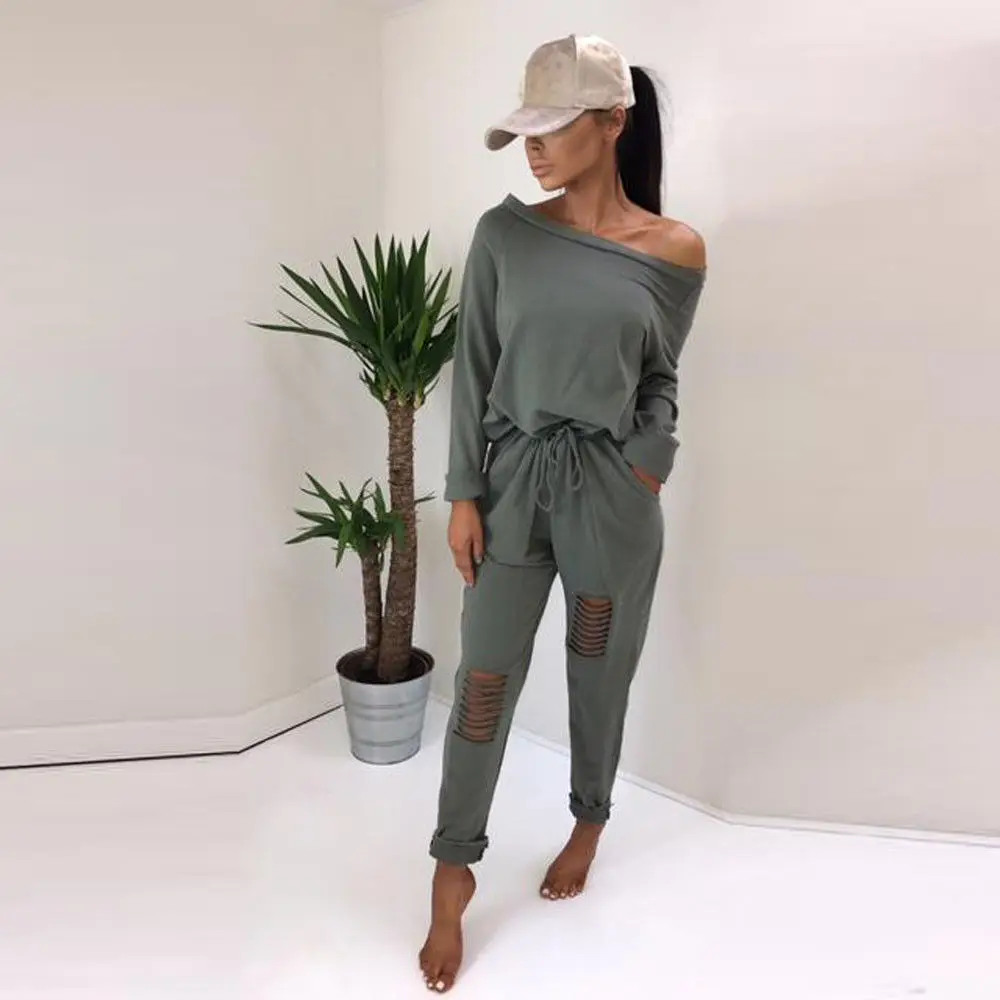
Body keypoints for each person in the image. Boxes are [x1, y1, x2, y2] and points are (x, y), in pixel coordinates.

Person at [419, 34, 707, 994]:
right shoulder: (504, 236)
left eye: (552, 126)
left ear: (613, 122)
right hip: (511, 490)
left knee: (599, 667)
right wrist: (464, 494)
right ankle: (453, 869)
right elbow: (474, 372)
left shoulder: (675, 250)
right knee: (483, 681)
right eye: (525, 129)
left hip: (612, 502)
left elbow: (661, 376)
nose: (533, 147)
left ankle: (588, 820)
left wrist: (648, 464)